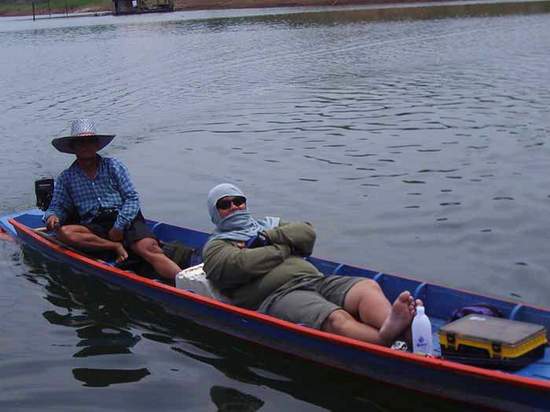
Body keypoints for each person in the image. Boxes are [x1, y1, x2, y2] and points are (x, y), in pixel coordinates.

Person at [202, 183, 422, 347]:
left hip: (314, 279)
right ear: (215, 212)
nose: (234, 207)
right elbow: (242, 265)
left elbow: (306, 233)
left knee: (367, 287)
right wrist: (286, 247)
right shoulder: (216, 246)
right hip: (276, 295)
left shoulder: (267, 224)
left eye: (238, 201)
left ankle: (400, 329)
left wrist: (266, 238)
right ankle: (383, 339)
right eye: (224, 204)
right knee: (335, 318)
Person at [44, 119, 181, 280]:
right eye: (81, 143)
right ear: (73, 148)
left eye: (90, 142)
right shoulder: (66, 177)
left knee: (149, 248)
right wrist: (52, 217)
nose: (86, 146)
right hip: (95, 224)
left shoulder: (113, 166)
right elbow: (58, 207)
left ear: (97, 145)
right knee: (65, 233)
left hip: (125, 218)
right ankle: (114, 246)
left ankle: (188, 286)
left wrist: (119, 227)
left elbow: (132, 199)